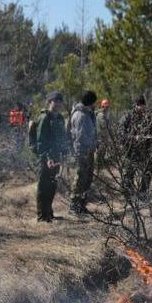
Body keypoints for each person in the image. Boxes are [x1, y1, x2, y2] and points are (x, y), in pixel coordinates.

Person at [32, 92, 70, 222]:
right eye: (55, 101)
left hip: (57, 157)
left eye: (60, 101)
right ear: (49, 102)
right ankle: (42, 216)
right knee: (44, 186)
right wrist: (47, 158)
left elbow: (62, 137)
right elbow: (41, 141)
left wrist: (65, 153)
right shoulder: (44, 118)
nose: (58, 103)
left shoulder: (59, 118)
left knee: (53, 185)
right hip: (46, 158)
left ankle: (49, 213)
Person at [69, 90, 100, 216]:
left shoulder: (88, 113)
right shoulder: (80, 115)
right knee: (80, 177)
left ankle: (81, 205)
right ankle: (74, 205)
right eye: (94, 102)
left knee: (87, 178)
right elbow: (80, 137)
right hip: (83, 152)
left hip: (89, 150)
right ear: (90, 102)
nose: (95, 104)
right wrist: (85, 151)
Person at [120, 97, 152, 201]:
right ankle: (128, 197)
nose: (142, 108)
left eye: (144, 106)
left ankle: (143, 194)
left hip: (143, 152)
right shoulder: (127, 117)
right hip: (130, 151)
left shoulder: (147, 118)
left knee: (148, 169)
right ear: (136, 105)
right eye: (140, 106)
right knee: (128, 175)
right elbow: (121, 134)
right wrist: (133, 137)